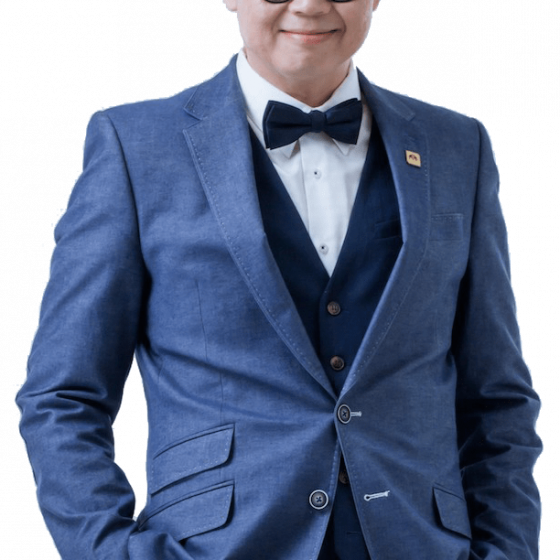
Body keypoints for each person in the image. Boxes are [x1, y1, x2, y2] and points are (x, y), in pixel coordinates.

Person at [16, 1, 542, 559]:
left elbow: (497, 396)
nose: (310, 5)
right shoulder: (136, 146)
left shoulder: (457, 145)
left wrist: (506, 551)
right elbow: (62, 396)